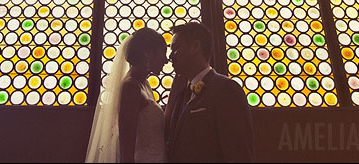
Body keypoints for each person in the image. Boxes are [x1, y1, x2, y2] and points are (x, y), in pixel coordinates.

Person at [164, 22, 254, 162]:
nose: (170, 56)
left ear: (195, 47)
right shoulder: (182, 94)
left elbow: (238, 151)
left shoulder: (226, 89)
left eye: (175, 48)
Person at [86, 28, 169, 163]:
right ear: (147, 54)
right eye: (163, 53)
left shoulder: (144, 83)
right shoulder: (130, 87)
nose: (166, 61)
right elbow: (126, 144)